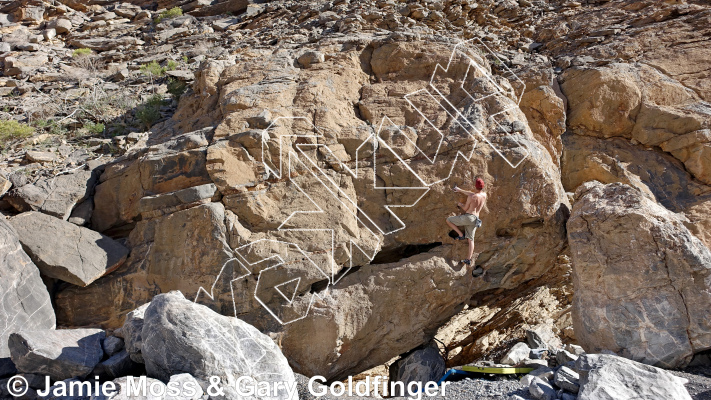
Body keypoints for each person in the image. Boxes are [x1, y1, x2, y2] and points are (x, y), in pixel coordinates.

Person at [445, 177, 487, 269]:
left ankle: (460, 234)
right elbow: (472, 194)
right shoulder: (484, 195)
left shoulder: (471, 197)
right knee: (471, 240)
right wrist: (460, 190)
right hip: (476, 219)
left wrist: (461, 205)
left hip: (468, 217)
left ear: (475, 186)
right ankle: (468, 259)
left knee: (448, 220)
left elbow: (465, 209)